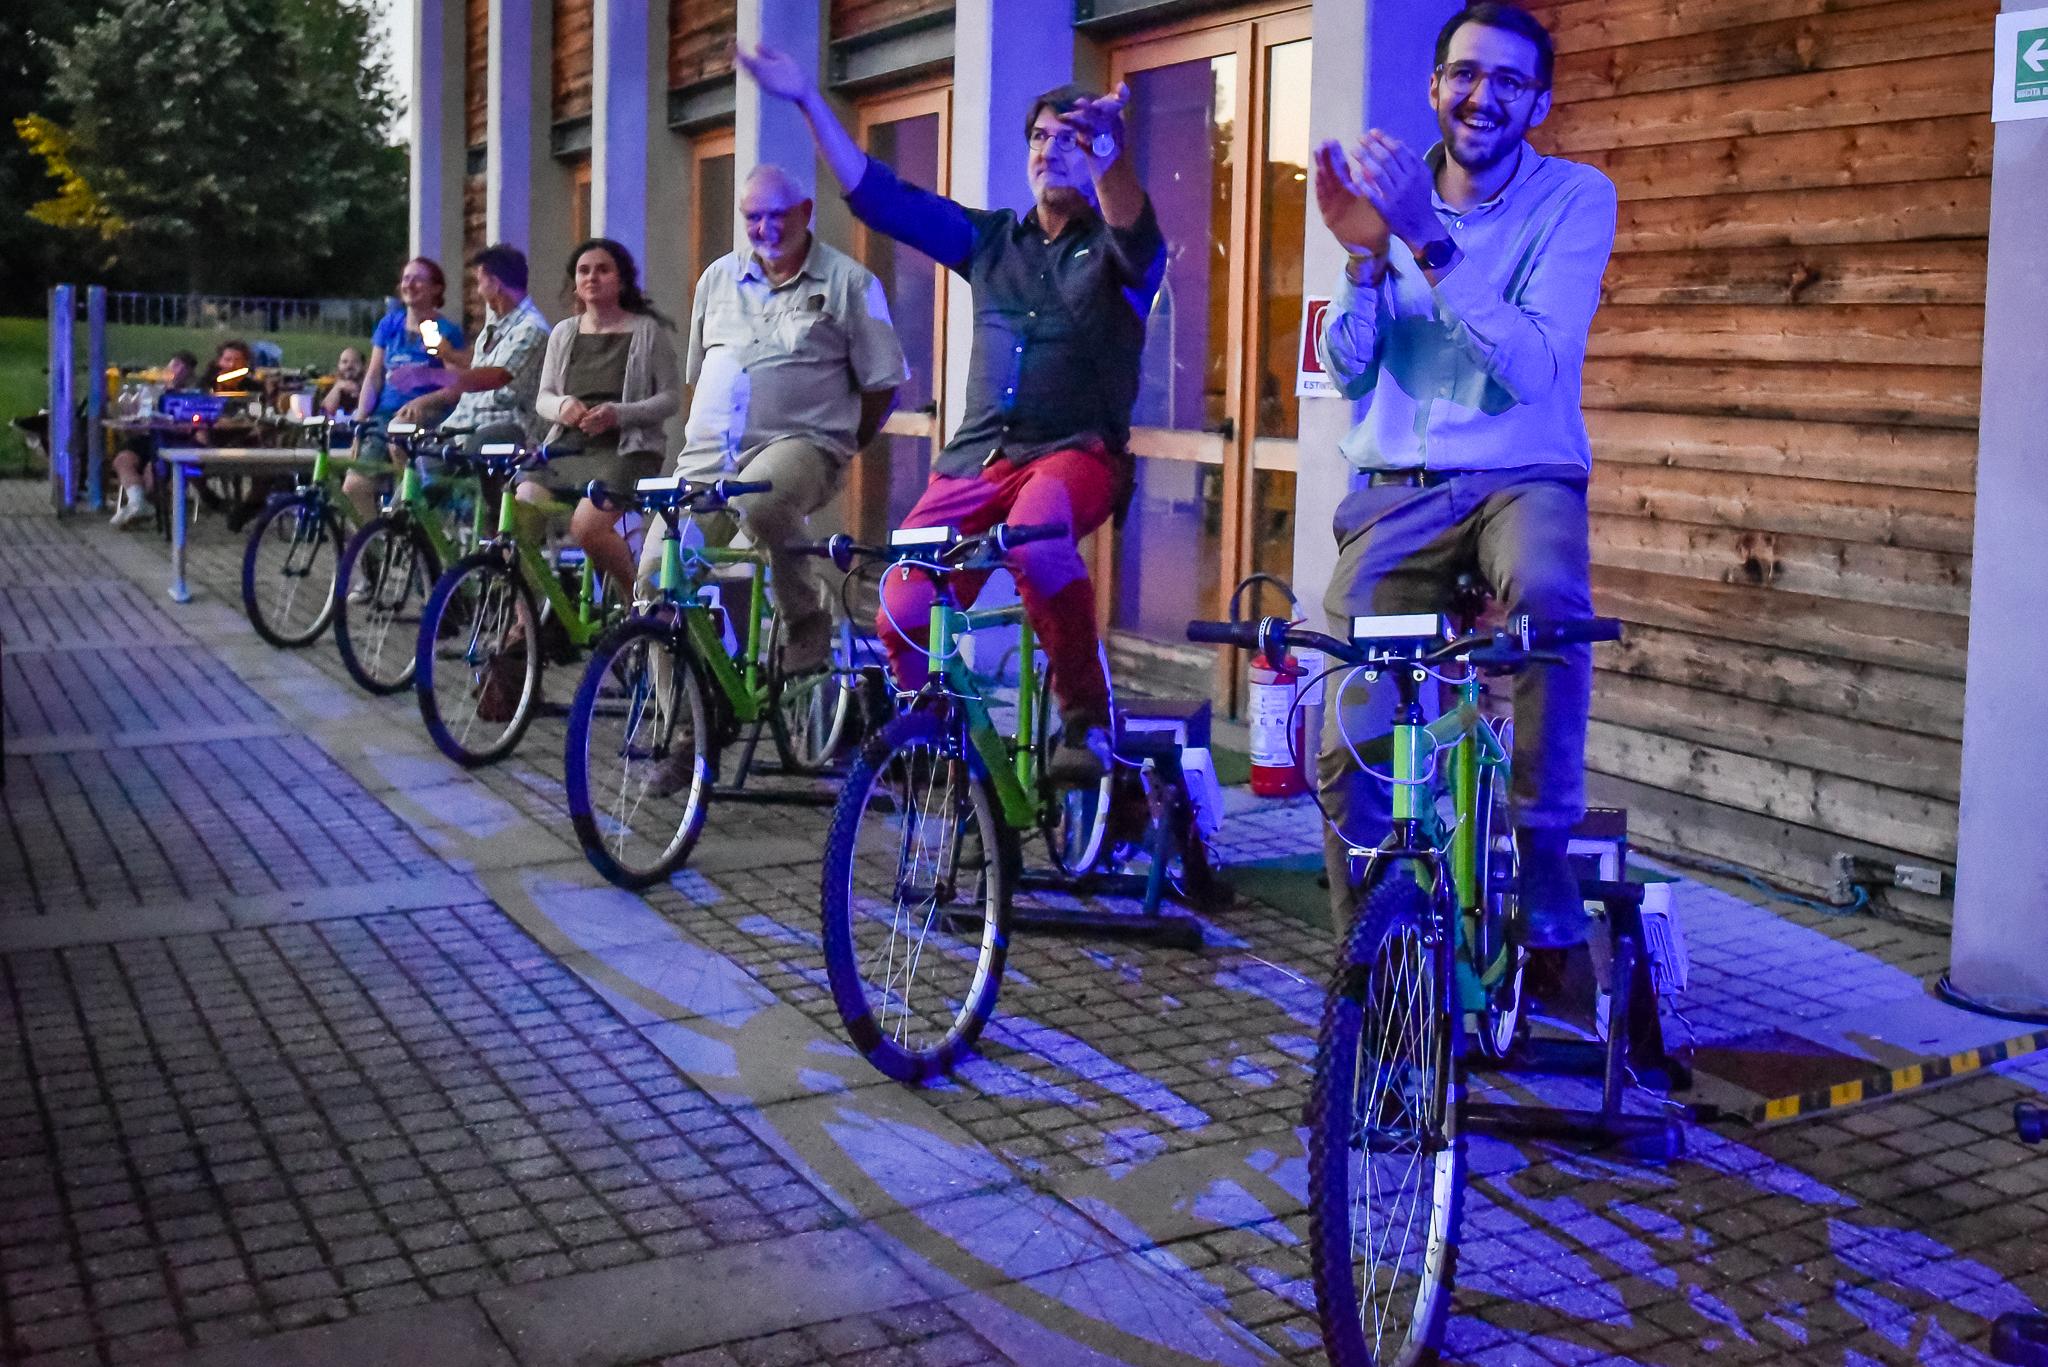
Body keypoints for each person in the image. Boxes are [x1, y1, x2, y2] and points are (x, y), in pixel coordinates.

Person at [736, 42, 1165, 783]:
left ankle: (1084, 717)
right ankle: (943, 752)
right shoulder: (992, 239)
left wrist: (1111, 152)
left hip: (1075, 454)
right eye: (1040, 138)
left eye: (1070, 138)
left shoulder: (1118, 253)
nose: (1049, 151)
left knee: (1034, 535)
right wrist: (808, 97)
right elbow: (881, 197)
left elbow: (1133, 229)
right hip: (975, 460)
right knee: (899, 603)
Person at [1310, 2, 1617, 954]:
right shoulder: (1392, 194)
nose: (1483, 97)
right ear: (1435, 86)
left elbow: (1533, 366)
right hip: (1398, 487)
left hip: (1523, 478)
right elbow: (1349, 368)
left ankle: (1539, 843)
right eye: (1466, 75)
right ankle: (1377, 975)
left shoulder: (1576, 197)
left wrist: (1425, 242)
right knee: (1348, 738)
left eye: (1509, 83)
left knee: (1551, 598)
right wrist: (1365, 261)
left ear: (1540, 103)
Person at [641, 163, 906, 678]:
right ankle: (685, 724)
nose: (768, 229)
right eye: (754, 218)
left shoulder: (851, 283)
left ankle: (805, 619)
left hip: (803, 442)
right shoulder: (717, 279)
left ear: (806, 212)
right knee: (657, 574)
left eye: (779, 215)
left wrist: (841, 446)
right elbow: (702, 375)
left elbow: (884, 385)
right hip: (714, 454)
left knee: (757, 500)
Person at [523, 237, 682, 597]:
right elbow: (543, 397)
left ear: (621, 280)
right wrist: (563, 407)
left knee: (588, 526)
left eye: (603, 269)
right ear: (575, 282)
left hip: (628, 450)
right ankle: (527, 618)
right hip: (569, 443)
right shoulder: (564, 332)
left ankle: (637, 598)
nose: (592, 277)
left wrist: (619, 414)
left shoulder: (646, 331)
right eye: (584, 271)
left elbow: (671, 399)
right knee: (521, 510)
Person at [386, 243, 551, 444]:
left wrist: (427, 376)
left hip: (500, 429)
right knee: (406, 443)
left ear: (495, 284)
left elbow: (497, 376)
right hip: (462, 424)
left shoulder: (531, 329)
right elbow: (482, 363)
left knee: (425, 459)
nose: (477, 292)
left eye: (479, 283)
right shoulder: (498, 323)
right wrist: (449, 354)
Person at [342, 258, 467, 524]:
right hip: (383, 416)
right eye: (406, 278)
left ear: (436, 288)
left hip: (425, 415)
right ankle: (375, 547)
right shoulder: (390, 325)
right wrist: (360, 420)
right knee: (353, 487)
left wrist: (422, 402)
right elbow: (373, 377)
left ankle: (411, 519)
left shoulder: (445, 331)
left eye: (418, 278)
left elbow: (454, 388)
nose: (410, 284)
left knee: (399, 434)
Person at [107, 350, 196, 527]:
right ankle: (137, 503)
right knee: (123, 460)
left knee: (152, 470)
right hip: (147, 437)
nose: (175, 370)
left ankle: (141, 505)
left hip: (171, 441)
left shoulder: (190, 395)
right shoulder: (152, 390)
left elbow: (189, 427)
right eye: (174, 364)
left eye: (181, 367)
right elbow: (137, 416)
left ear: (189, 374)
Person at [321, 346, 366, 417]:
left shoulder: (372, 386)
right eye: (344, 362)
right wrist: (338, 387)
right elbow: (326, 412)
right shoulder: (329, 386)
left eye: (355, 362)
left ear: (363, 366)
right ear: (339, 365)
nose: (349, 366)